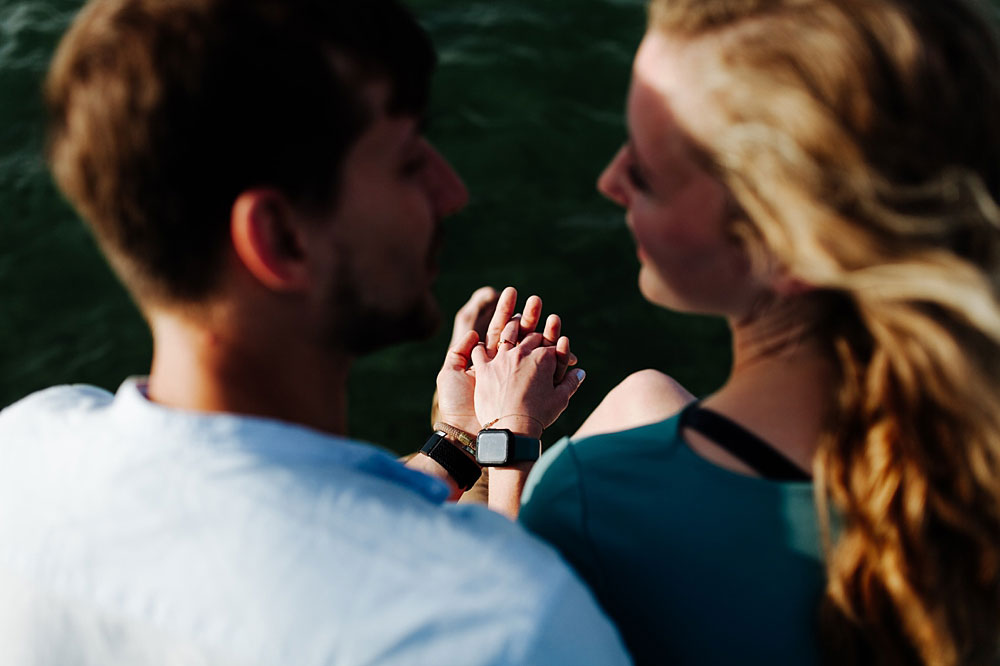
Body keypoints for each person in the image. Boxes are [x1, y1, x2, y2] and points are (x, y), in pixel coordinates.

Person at [0, 0, 628, 664]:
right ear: (281, 238)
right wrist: (511, 447)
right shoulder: (498, 622)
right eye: (409, 162)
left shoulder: (25, 448)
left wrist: (459, 440)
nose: (452, 191)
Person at [518, 0, 1000, 664]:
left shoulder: (592, 498)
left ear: (784, 245)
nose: (610, 182)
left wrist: (500, 444)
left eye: (646, 175)